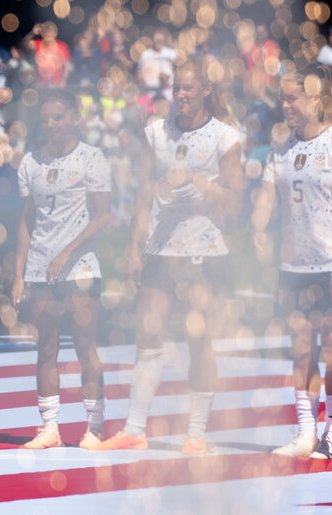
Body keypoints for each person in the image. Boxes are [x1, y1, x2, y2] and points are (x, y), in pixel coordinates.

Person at [98, 61, 242, 454]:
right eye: (177, 88)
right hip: (160, 249)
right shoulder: (155, 133)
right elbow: (144, 192)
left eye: (188, 89)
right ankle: (134, 428)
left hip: (204, 252)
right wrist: (133, 250)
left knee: (200, 340)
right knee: (147, 337)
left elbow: (235, 200)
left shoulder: (224, 137)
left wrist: (201, 185)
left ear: (207, 91)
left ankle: (196, 432)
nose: (180, 95)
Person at [252, 70, 332, 459]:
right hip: (293, 267)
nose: (285, 106)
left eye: (292, 98)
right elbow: (267, 196)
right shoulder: (278, 148)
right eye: (282, 99)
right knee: (301, 348)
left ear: (316, 100)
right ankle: (305, 432)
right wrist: (258, 229)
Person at [13, 90, 112, 450]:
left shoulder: (92, 159)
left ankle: (95, 427)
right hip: (40, 269)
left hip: (81, 268)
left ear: (75, 118)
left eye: (58, 117)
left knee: (86, 346)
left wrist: (68, 252)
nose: (51, 124)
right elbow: (26, 221)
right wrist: (19, 273)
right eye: (46, 119)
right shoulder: (30, 163)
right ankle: (50, 428)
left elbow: (104, 215)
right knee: (46, 347)